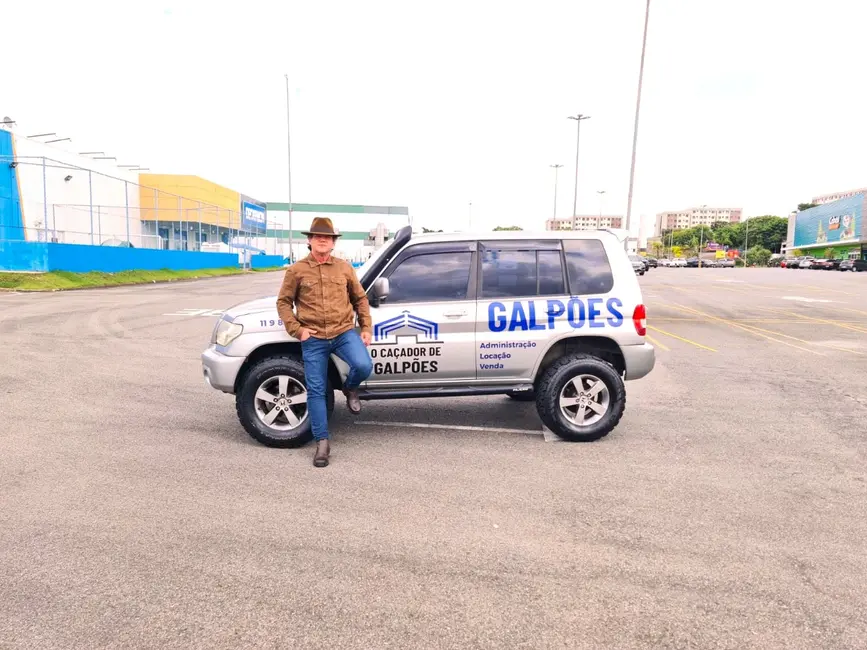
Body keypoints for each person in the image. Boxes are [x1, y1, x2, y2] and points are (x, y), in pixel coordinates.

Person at [276, 217, 373, 468]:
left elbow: (360, 299)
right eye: (318, 236)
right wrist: (297, 330)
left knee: (363, 366)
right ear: (309, 240)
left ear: (333, 243)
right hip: (314, 338)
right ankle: (322, 442)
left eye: (327, 237)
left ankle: (350, 388)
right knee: (316, 391)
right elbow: (283, 303)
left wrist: (365, 327)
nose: (322, 240)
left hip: (343, 333)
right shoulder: (296, 270)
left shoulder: (344, 268)